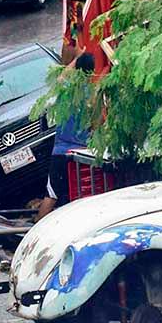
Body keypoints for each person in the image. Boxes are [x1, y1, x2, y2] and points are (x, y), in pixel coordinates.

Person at [38, 53, 96, 221]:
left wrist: (76, 59)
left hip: (61, 152)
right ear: (92, 71)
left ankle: (34, 232)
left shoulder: (65, 89)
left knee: (51, 195)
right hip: (83, 156)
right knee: (81, 196)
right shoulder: (92, 95)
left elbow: (61, 76)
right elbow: (96, 124)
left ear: (77, 69)